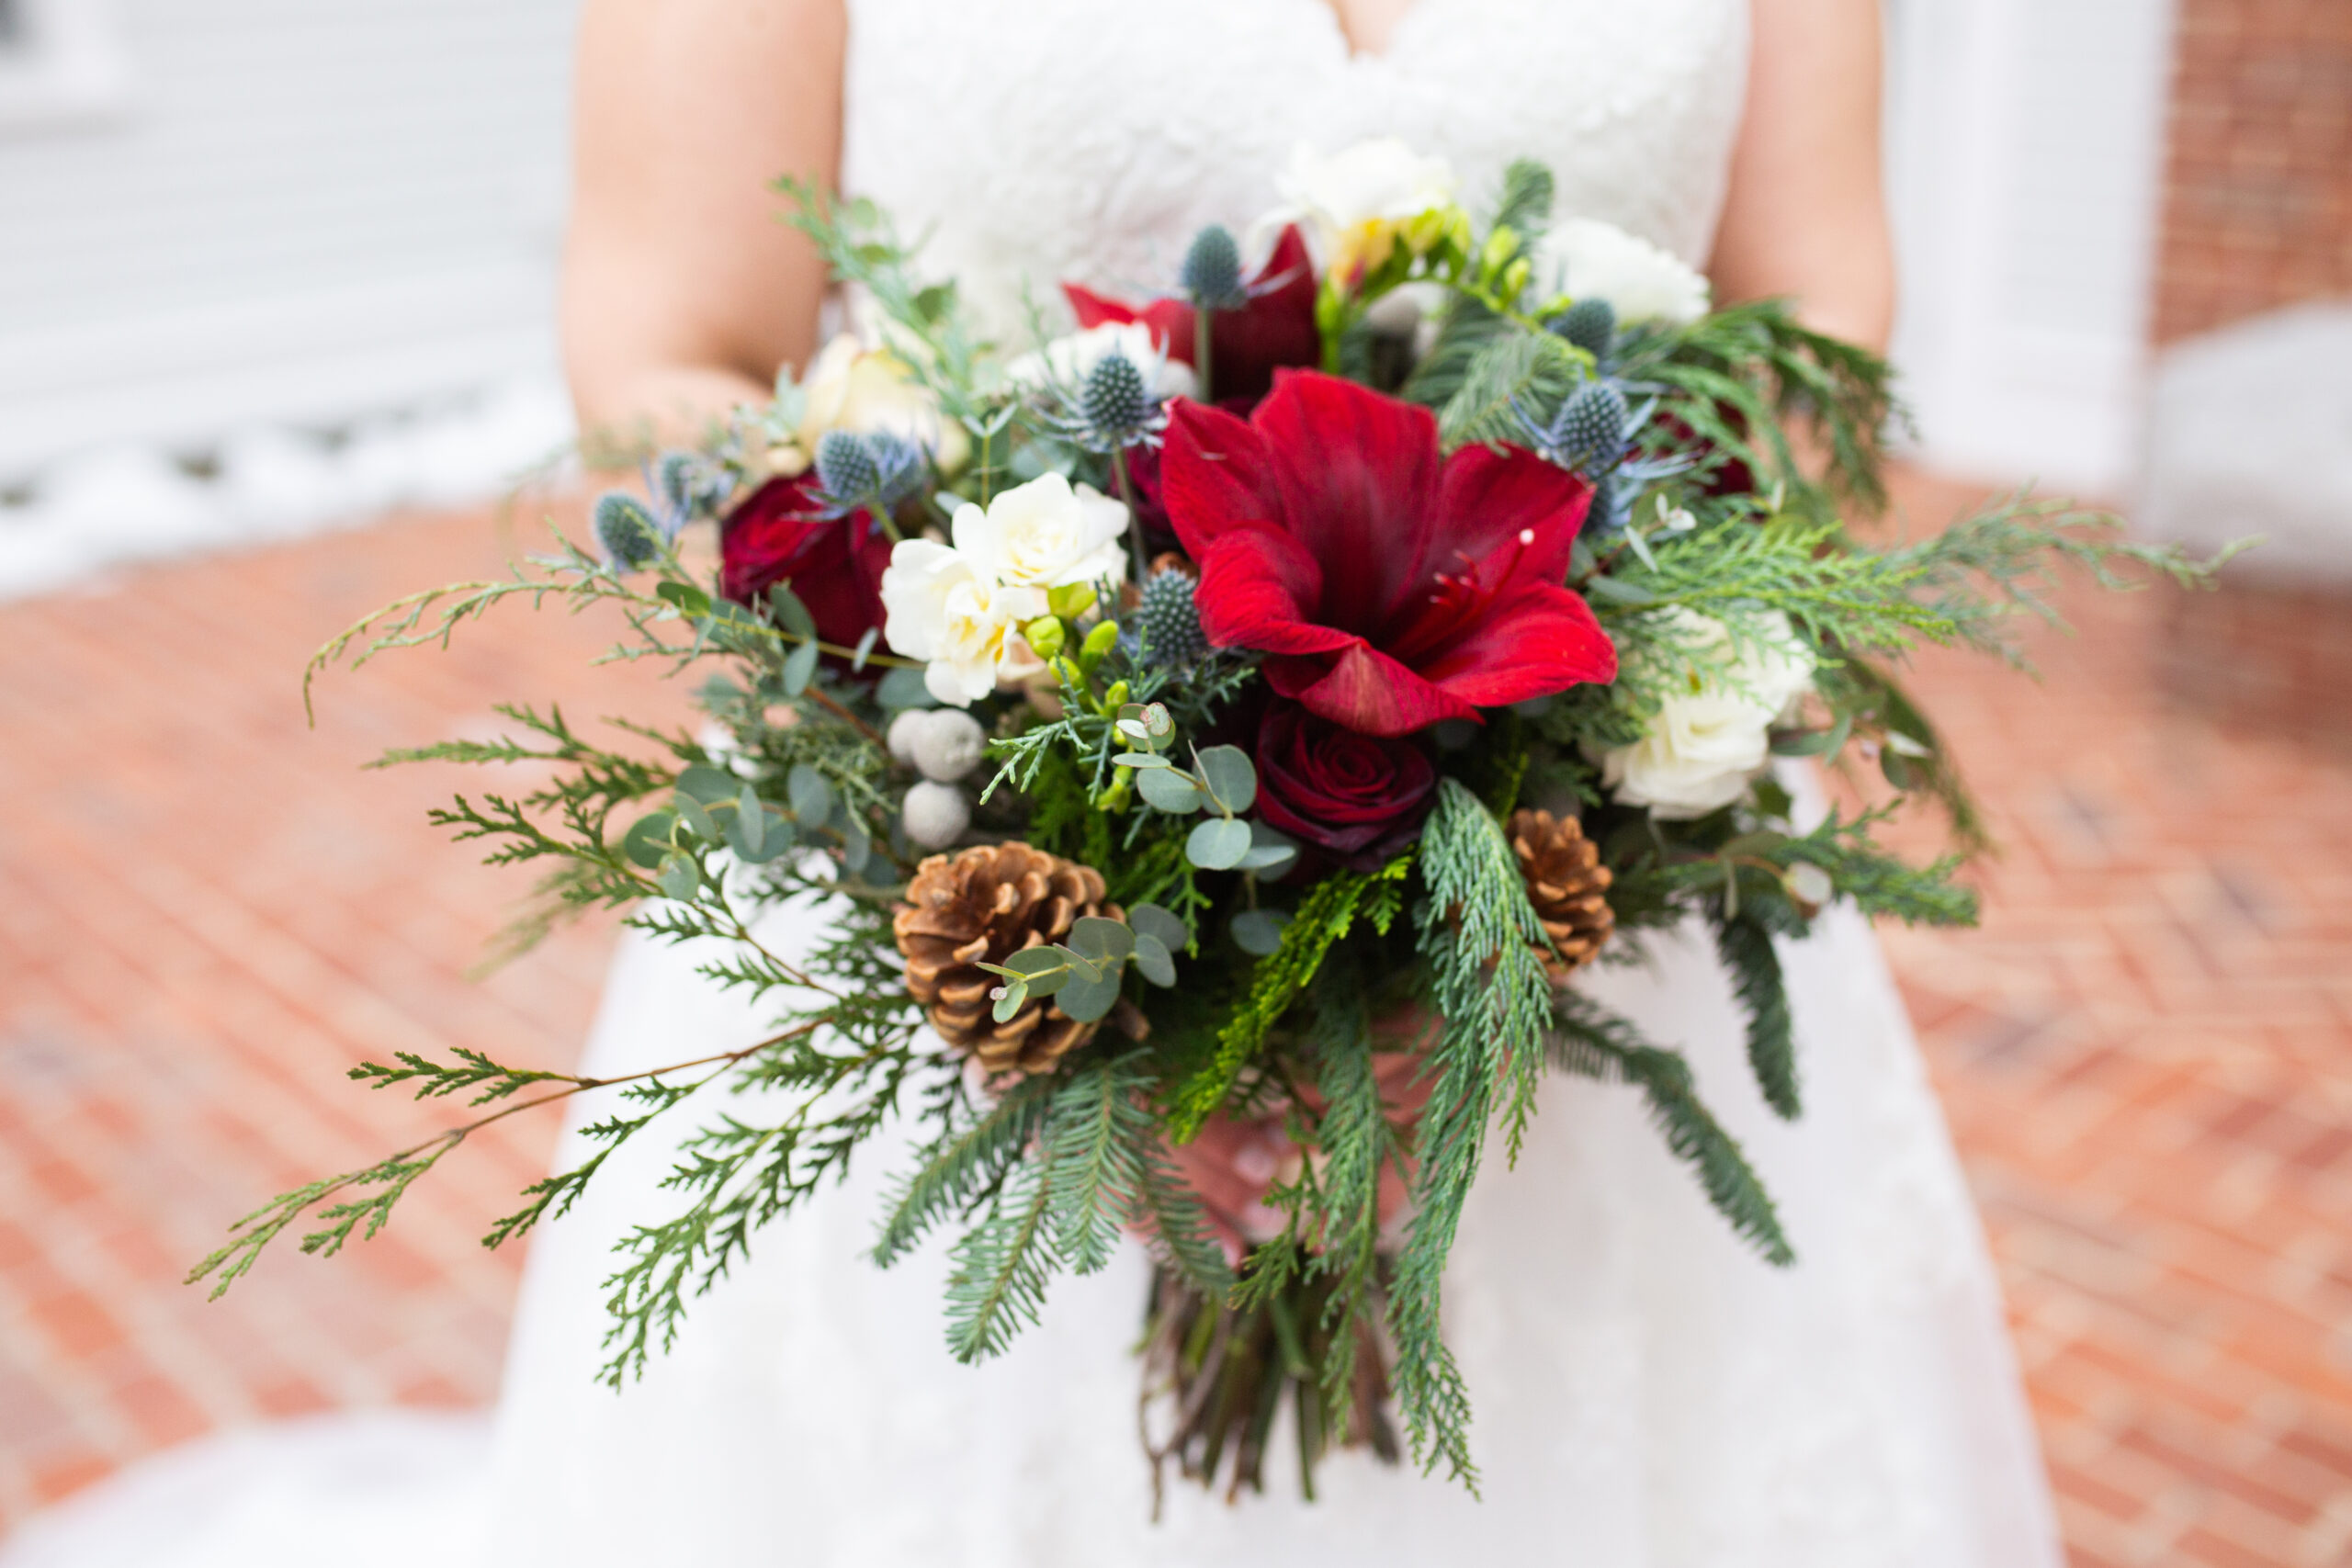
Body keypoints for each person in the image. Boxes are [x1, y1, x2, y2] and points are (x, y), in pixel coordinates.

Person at [0, 3, 2065, 1565]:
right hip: (956, 916)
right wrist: (1051, 828)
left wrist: (1549, 802)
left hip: (1579, 946)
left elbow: (1818, 334)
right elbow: (664, 340)